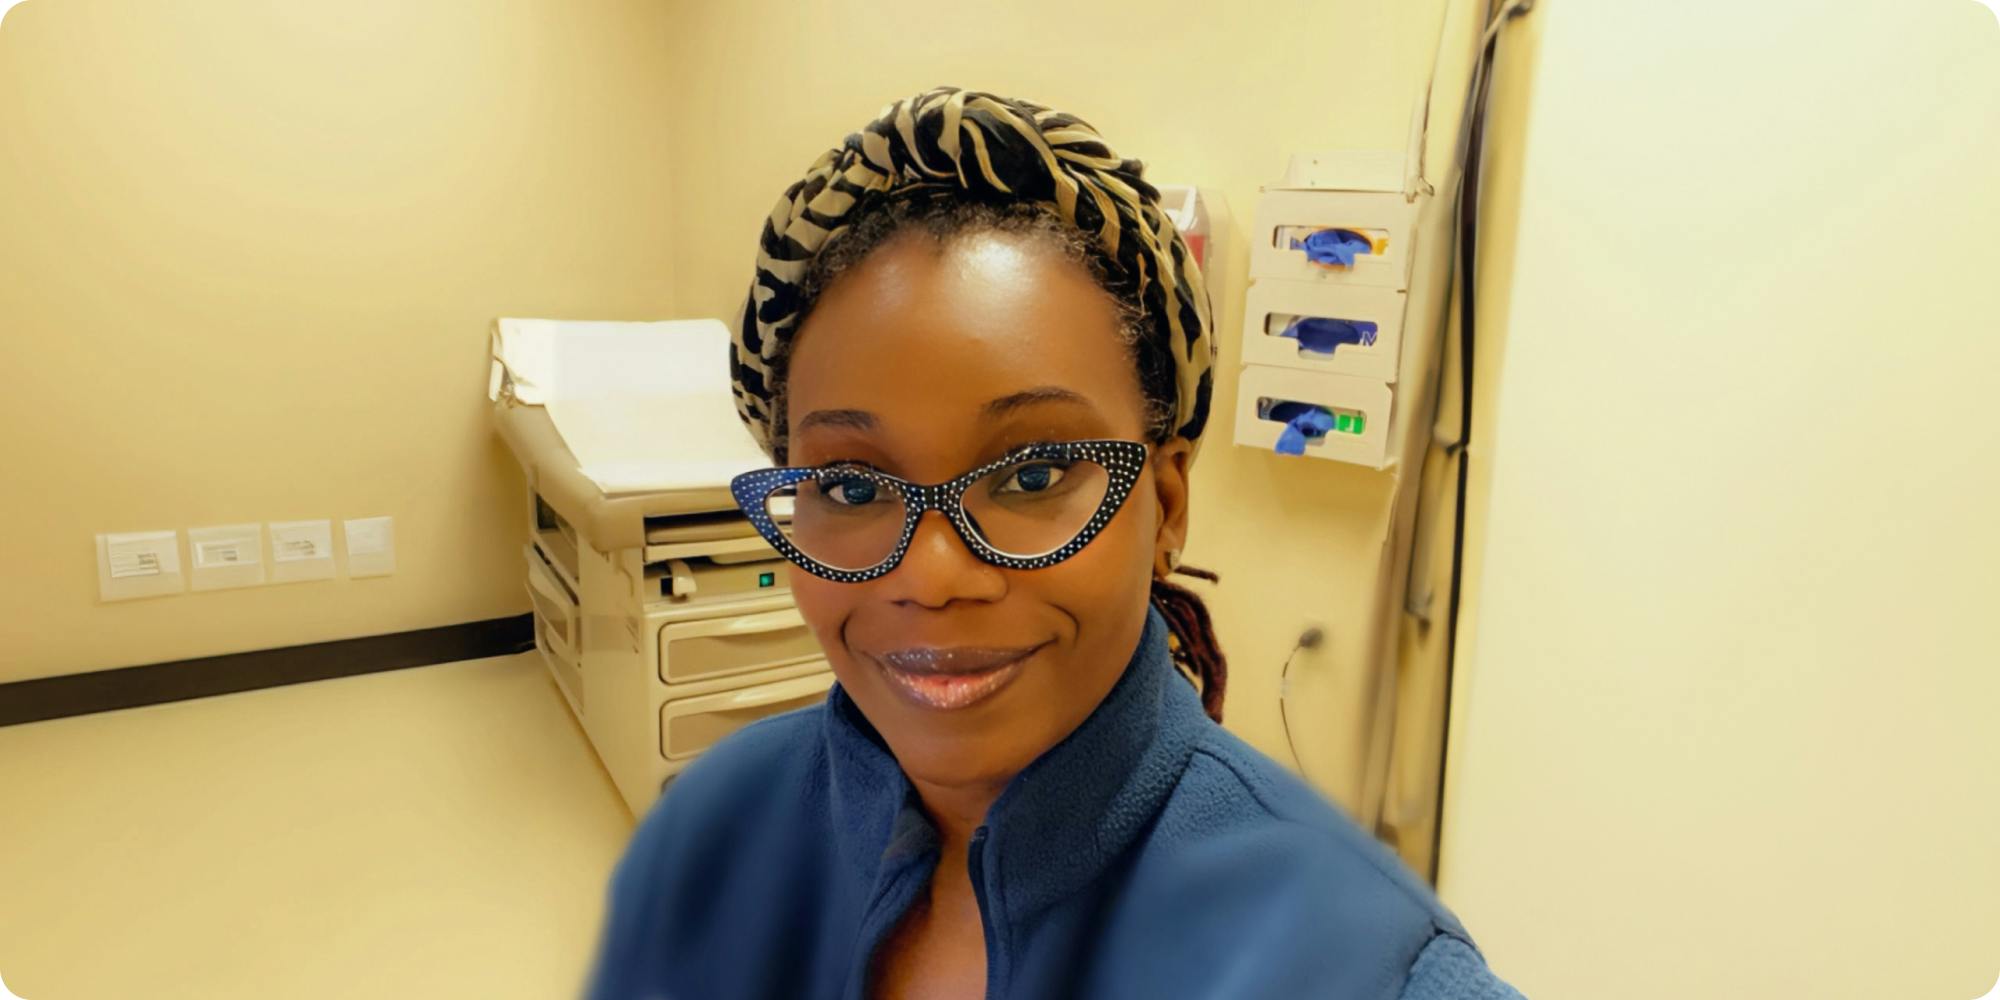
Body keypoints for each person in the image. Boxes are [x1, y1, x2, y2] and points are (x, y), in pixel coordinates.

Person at [583, 86, 1525, 1000]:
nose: (932, 575)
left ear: (1167, 502)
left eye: (1031, 475)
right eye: (851, 484)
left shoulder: (1357, 965)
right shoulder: (717, 820)